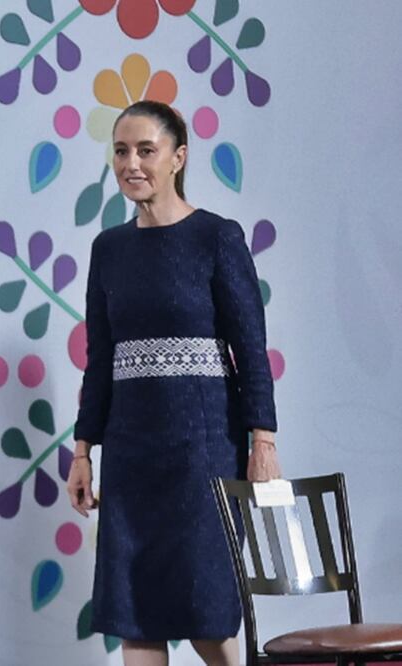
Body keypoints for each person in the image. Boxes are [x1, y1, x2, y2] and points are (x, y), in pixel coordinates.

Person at [65, 100, 282, 666]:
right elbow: (100, 357)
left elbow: (251, 351)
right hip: (132, 453)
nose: (130, 163)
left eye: (145, 150)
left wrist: (264, 442)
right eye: (120, 151)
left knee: (204, 610)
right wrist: (84, 449)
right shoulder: (108, 249)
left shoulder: (217, 238)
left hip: (203, 451)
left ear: (178, 157)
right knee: (137, 615)